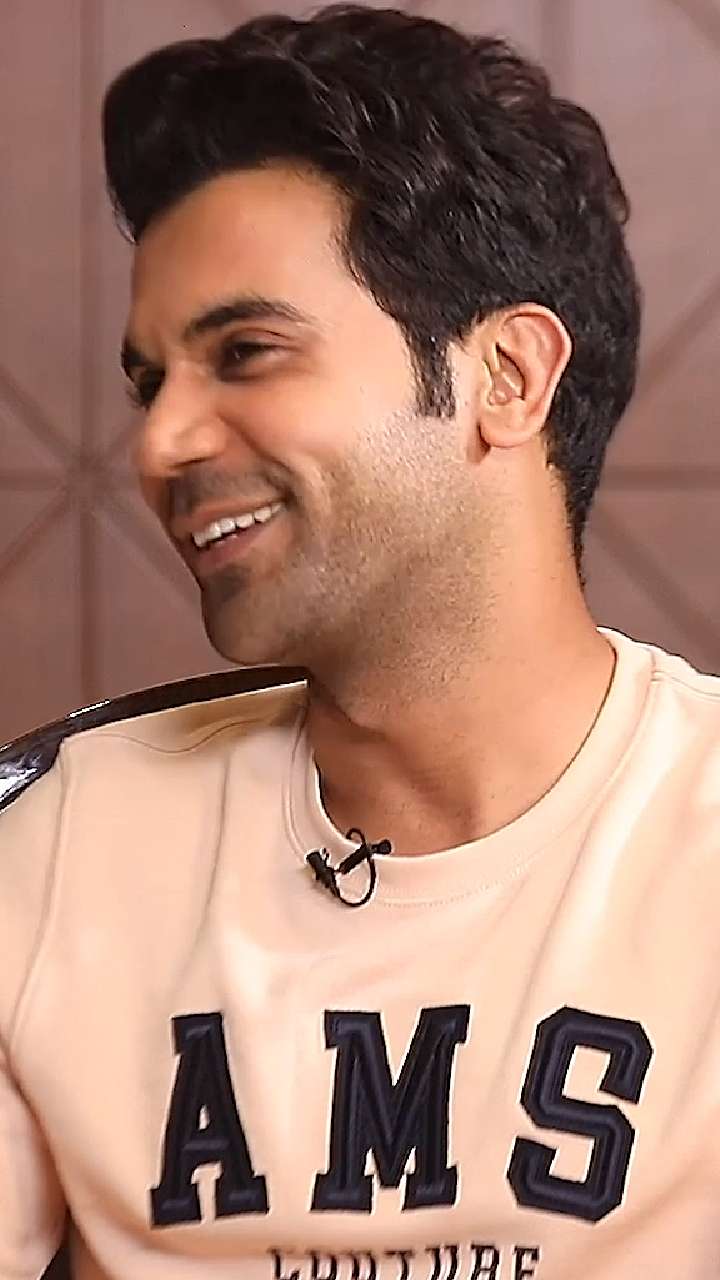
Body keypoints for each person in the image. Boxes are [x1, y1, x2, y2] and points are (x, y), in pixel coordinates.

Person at [1, 4, 718, 1277]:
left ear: (507, 376)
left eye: (247, 351)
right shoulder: (52, 848)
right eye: (150, 383)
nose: (160, 442)